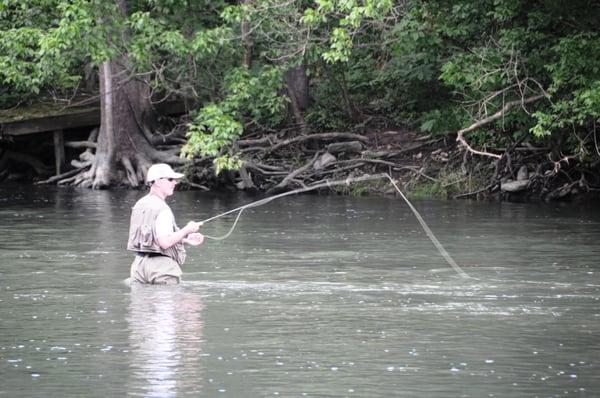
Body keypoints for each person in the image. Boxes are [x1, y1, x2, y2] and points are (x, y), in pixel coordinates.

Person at [127, 163, 204, 285]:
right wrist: (187, 230)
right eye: (170, 179)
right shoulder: (163, 209)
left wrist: (185, 240)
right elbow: (164, 242)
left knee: (143, 304)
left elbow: (152, 239)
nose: (175, 183)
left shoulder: (139, 205)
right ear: (157, 181)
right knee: (169, 301)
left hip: (139, 266)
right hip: (161, 269)